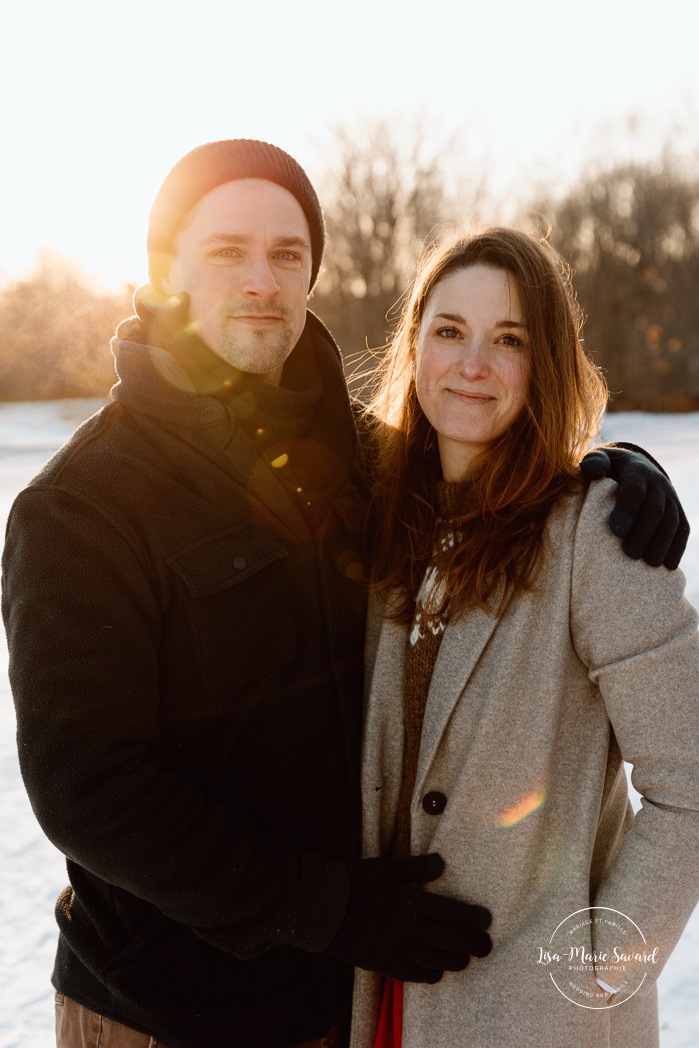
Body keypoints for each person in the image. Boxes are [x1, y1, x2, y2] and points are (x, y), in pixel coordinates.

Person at [0, 143, 687, 1048]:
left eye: (287, 253)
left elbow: (482, 447)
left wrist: (607, 470)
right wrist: (329, 911)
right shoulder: (84, 503)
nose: (261, 279)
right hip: (167, 1011)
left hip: (348, 1005)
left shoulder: (364, 458)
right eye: (226, 252)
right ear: (164, 271)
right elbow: (88, 789)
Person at [352, 228, 699, 1048]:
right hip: (371, 999)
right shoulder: (368, 522)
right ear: (413, 346)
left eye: (507, 340)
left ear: (543, 363)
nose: (471, 364)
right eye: (449, 331)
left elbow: (690, 786)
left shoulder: (598, 534)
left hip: (528, 1019)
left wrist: (589, 981)